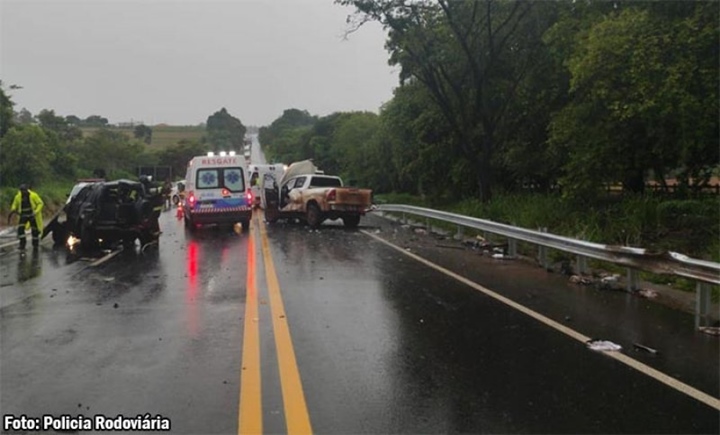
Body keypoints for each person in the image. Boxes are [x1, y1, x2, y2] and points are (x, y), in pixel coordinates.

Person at [9, 184, 44, 250]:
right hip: (23, 215)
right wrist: (13, 209)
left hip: (32, 215)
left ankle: (35, 244)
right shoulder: (18, 197)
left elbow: (40, 203)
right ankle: (22, 244)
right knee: (20, 230)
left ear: (27, 190)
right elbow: (14, 204)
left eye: (24, 190)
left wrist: (36, 211)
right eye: (22, 191)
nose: (23, 192)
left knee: (35, 230)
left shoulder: (33, 195)